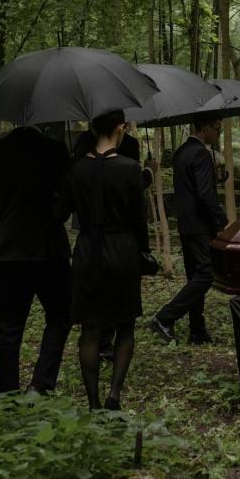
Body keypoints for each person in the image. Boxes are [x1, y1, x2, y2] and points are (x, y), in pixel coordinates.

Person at [60, 110, 150, 411]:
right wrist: (143, 252)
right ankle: (114, 395)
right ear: (119, 128)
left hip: (87, 250)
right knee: (125, 326)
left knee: (90, 329)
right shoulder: (129, 169)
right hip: (121, 250)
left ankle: (94, 404)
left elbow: (61, 211)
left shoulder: (77, 169)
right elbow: (140, 220)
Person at [0, 125, 72, 395]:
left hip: (8, 252)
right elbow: (65, 204)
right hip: (49, 248)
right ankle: (40, 384)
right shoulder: (55, 150)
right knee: (61, 316)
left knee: (8, 328)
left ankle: (6, 392)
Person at [72, 122, 157, 361]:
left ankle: (104, 341)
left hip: (98, 238)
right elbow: (133, 196)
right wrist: (148, 174)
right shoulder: (92, 150)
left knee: (109, 311)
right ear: (118, 127)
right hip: (112, 236)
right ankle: (102, 344)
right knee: (107, 316)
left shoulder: (126, 145)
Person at [150, 111, 228, 346]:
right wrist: (220, 220)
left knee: (195, 275)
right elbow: (204, 195)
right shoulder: (201, 154)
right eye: (218, 129)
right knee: (205, 276)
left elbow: (192, 187)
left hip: (186, 223)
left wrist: (215, 178)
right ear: (205, 128)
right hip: (200, 225)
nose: (219, 134)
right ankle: (165, 317)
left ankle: (197, 330)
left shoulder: (183, 152)